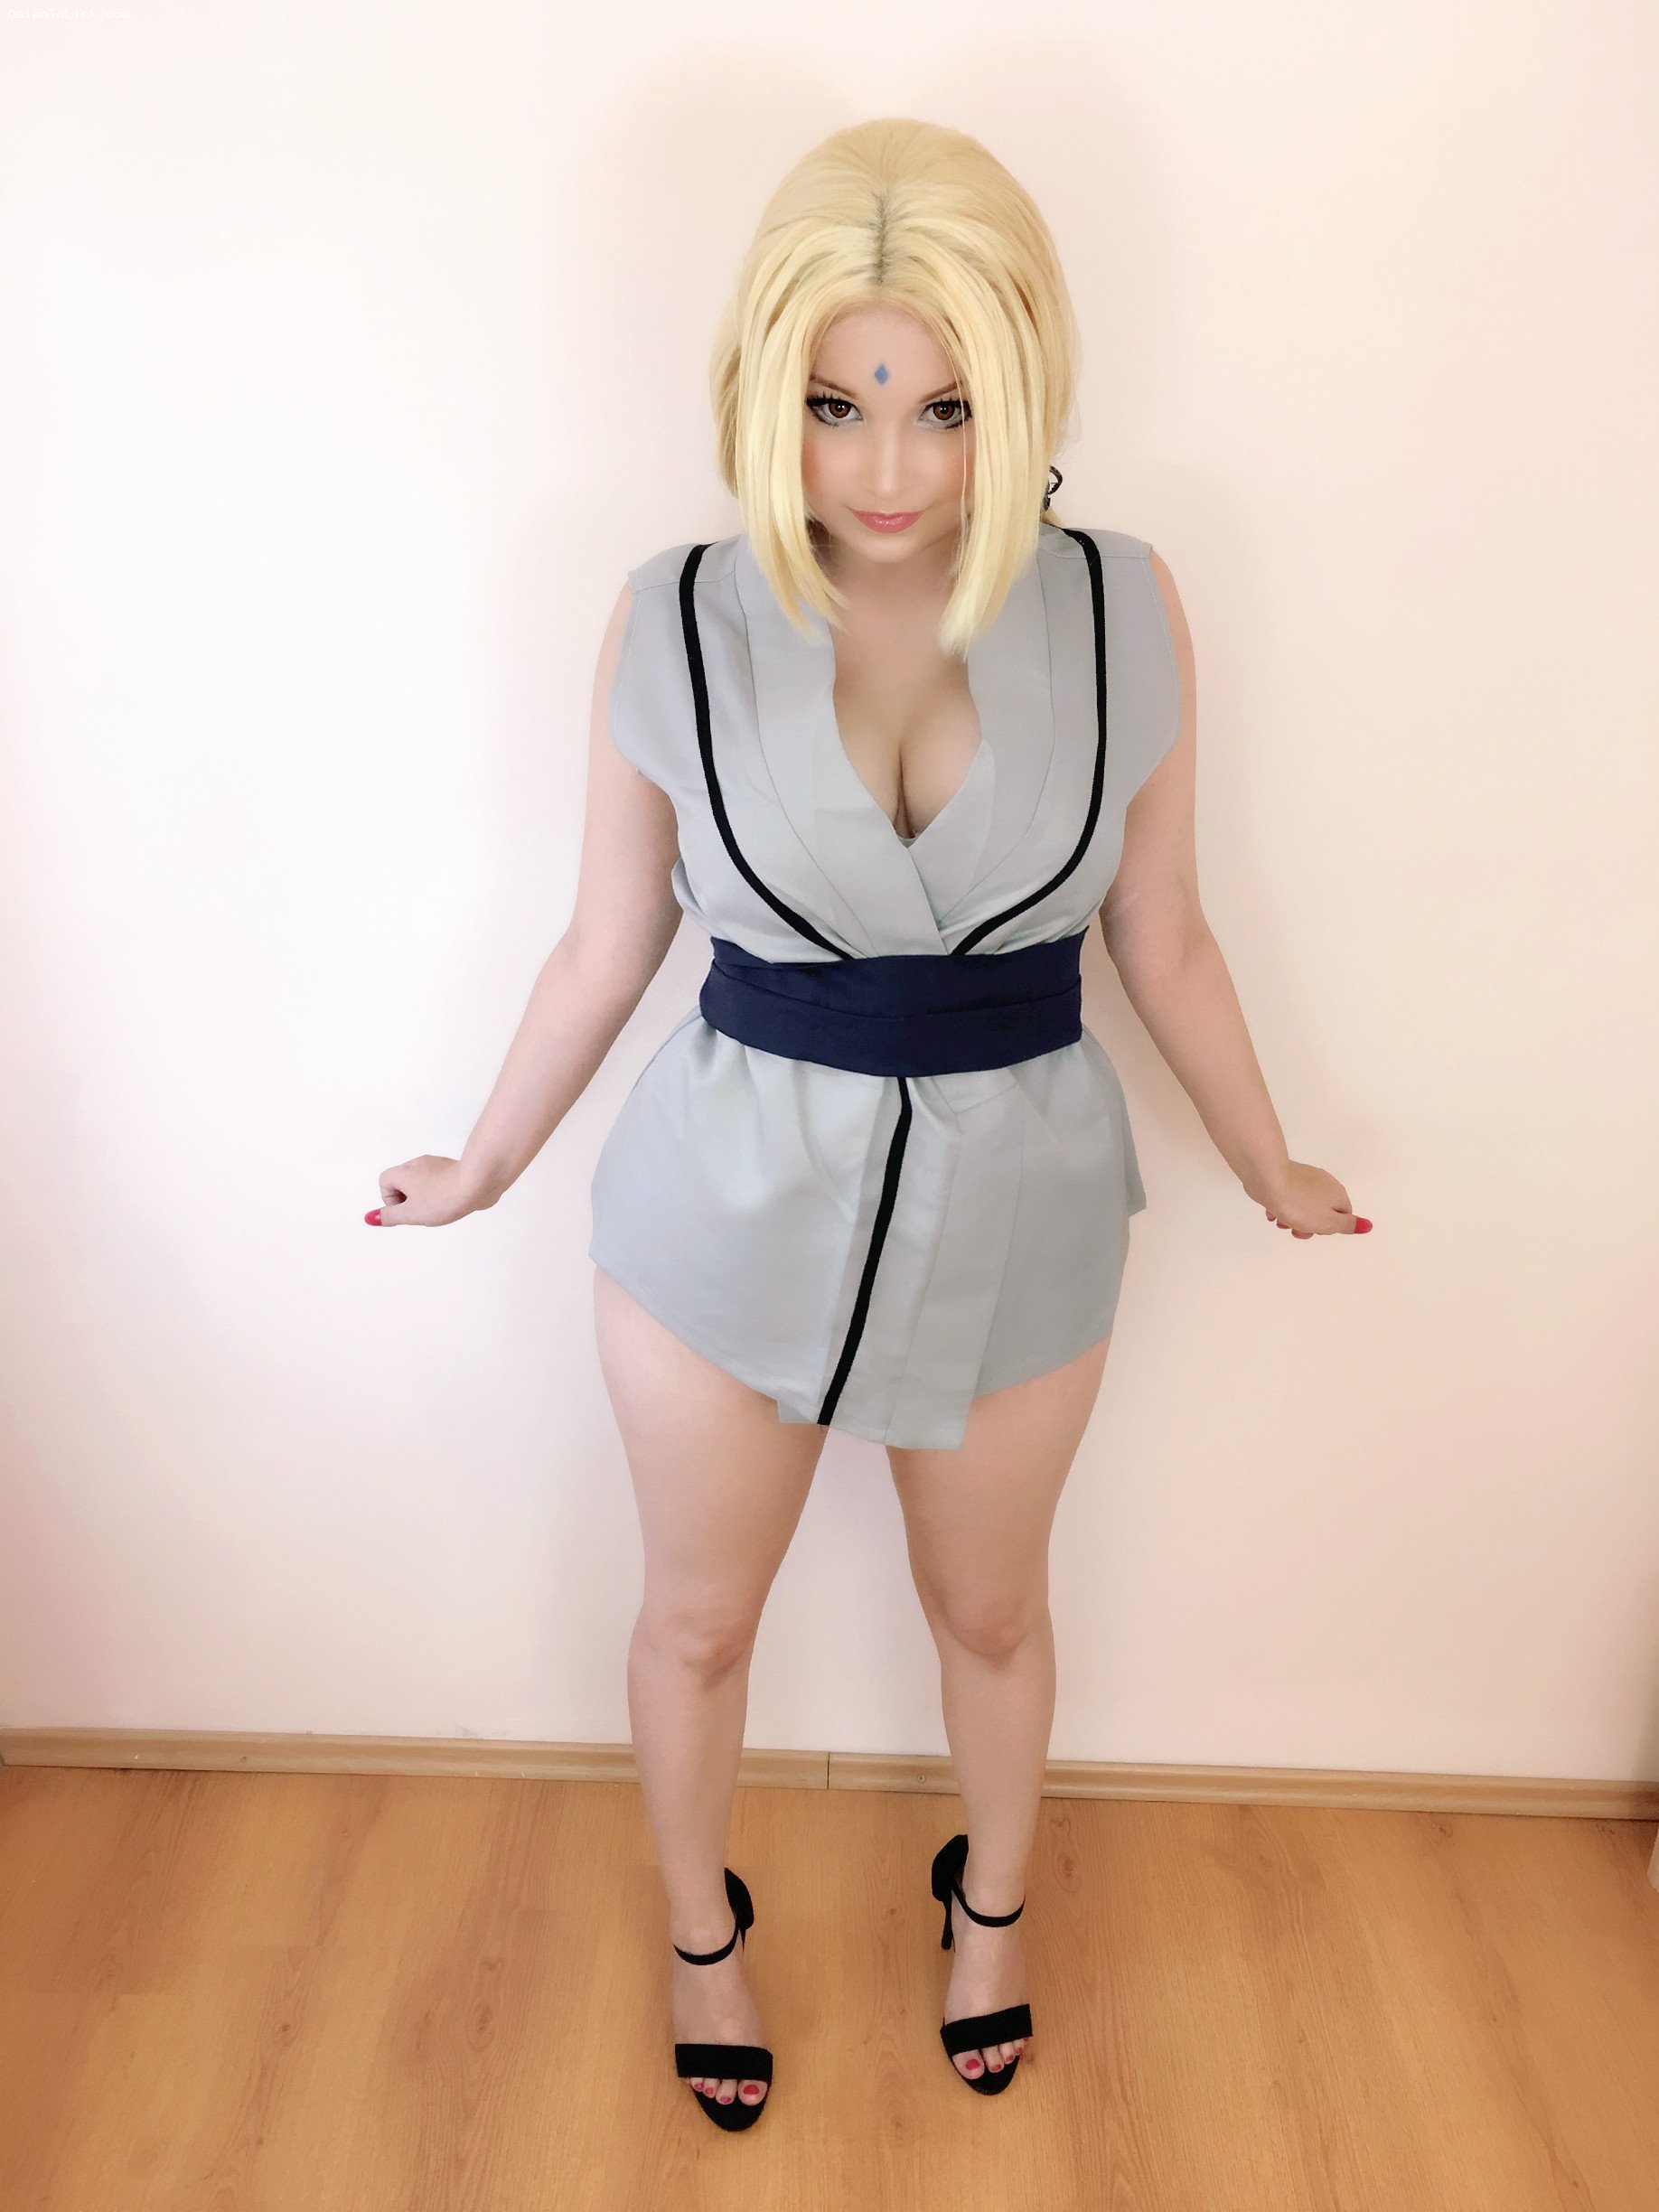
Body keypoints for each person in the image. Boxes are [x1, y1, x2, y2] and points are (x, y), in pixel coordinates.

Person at [369, 117, 1370, 2132]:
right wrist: (482, 1163)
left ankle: (988, 1913)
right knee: (696, 1618)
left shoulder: (1126, 605)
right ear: (768, 392)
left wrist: (1272, 1159)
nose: (889, 467)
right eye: (838, 405)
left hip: (1023, 1200)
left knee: (992, 1608)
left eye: (945, 408)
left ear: (1022, 393)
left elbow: (1165, 934)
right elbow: (607, 943)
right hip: (724, 1202)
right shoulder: (668, 616)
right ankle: (700, 1934)